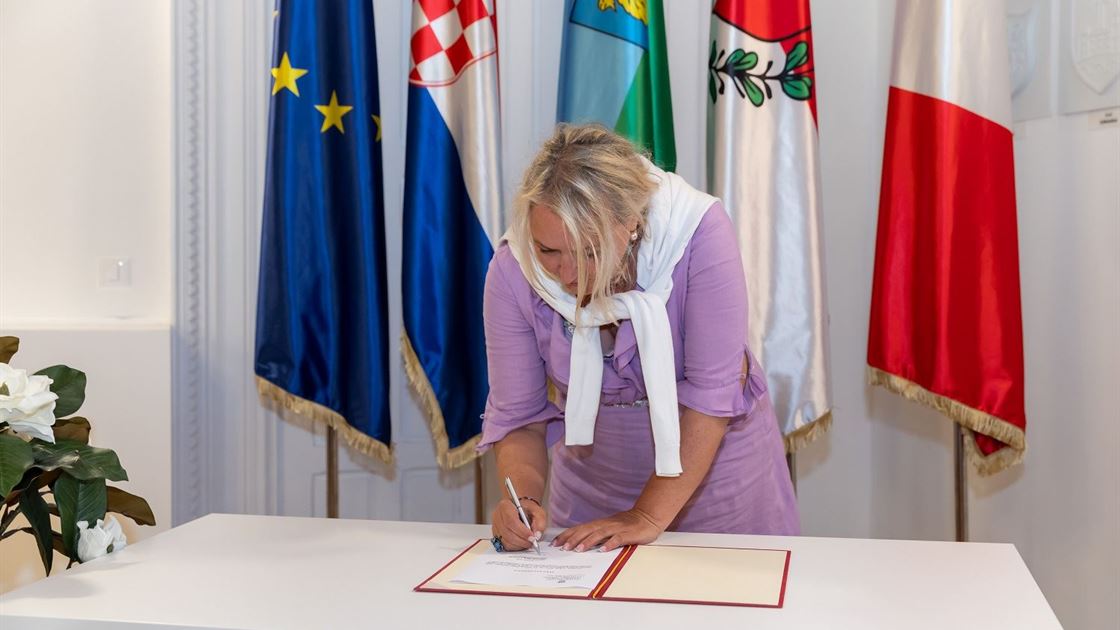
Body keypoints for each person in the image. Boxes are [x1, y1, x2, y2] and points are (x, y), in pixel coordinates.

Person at [480, 124, 798, 554]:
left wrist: (646, 516)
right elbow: (520, 417)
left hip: (716, 484)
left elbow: (711, 396)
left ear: (631, 221)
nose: (568, 274)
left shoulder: (697, 234)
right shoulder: (514, 269)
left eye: (589, 251)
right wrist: (524, 501)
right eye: (548, 251)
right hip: (591, 490)